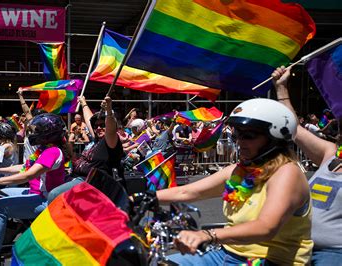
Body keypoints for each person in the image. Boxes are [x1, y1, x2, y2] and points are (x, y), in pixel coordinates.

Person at [157, 98, 313, 265]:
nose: (239, 142)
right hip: (225, 254)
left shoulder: (287, 173)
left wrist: (208, 235)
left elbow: (266, 227)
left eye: (249, 136)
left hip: (270, 261)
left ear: (275, 138)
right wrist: (138, 198)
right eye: (238, 134)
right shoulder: (240, 170)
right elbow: (187, 191)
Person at [272, 66, 342, 265]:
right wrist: (281, 88)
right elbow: (294, 128)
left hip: (334, 253)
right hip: (296, 245)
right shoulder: (331, 153)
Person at [0, 113, 69, 264]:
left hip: (44, 200)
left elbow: (28, 175)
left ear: (48, 134)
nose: (34, 133)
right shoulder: (43, 149)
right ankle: (6, 231)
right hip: (34, 193)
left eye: (38, 130)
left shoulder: (52, 152)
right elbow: (24, 167)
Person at [47, 95, 124, 202]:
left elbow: (111, 129)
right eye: (96, 126)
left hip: (91, 182)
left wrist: (109, 110)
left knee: (54, 195)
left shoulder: (109, 141)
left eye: (102, 125)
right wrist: (83, 102)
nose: (98, 128)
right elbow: (89, 120)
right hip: (75, 177)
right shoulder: (97, 138)